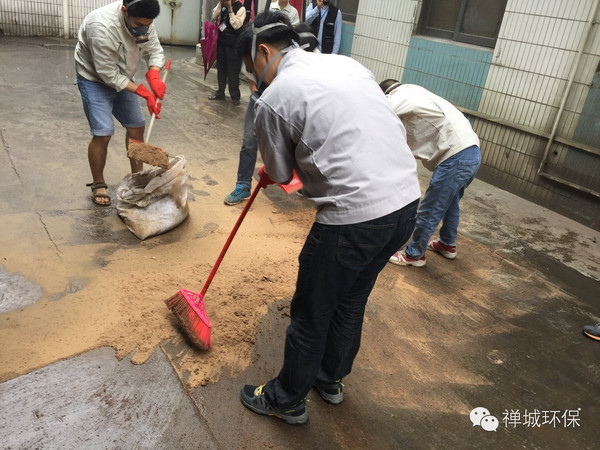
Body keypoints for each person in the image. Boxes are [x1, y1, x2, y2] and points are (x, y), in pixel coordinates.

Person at [236, 11, 421, 425]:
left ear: (263, 51)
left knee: (312, 311)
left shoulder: (275, 97)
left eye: (253, 69)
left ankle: (286, 399)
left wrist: (271, 167)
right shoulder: (346, 63)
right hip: (406, 204)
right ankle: (330, 379)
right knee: (352, 299)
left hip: (354, 217)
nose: (256, 79)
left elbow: (282, 175)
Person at [379, 80, 482, 267]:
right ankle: (447, 244)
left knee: (431, 206)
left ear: (386, 93)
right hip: (471, 152)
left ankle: (414, 255)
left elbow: (378, 112)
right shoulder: (419, 93)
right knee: (450, 203)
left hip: (456, 156)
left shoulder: (401, 95)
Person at [74, 0, 166, 206]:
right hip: (94, 77)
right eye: (138, 24)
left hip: (123, 74)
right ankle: (99, 183)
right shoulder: (100, 27)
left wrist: (154, 74)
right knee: (103, 132)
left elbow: (154, 50)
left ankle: (138, 179)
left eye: (148, 24)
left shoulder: (143, 19)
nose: (143, 29)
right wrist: (144, 92)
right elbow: (107, 73)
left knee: (137, 126)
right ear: (124, 11)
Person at [223, 22, 318, 205]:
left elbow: (280, 174)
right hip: (260, 98)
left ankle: (307, 184)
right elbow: (254, 84)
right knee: (249, 142)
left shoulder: (299, 75)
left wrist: (272, 171)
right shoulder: (254, 55)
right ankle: (243, 184)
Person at [208, 0, 247, 106]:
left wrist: (230, 10)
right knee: (221, 69)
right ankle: (220, 93)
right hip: (221, 43)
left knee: (233, 71)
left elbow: (237, 25)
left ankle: (235, 97)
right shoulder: (222, 4)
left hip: (233, 45)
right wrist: (220, 4)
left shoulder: (241, 8)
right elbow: (214, 16)